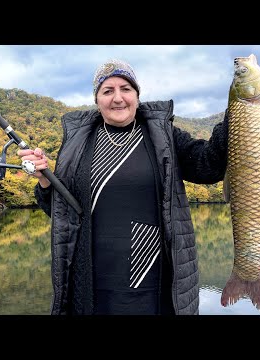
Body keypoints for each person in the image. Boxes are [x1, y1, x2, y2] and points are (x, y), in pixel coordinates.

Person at [17, 59, 228, 315]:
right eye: (108, 91)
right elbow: (63, 213)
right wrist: (44, 180)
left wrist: (238, 113)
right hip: (93, 284)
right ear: (97, 100)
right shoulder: (77, 143)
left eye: (126, 89)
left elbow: (209, 166)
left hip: (155, 285)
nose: (118, 98)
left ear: (137, 96)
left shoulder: (164, 135)